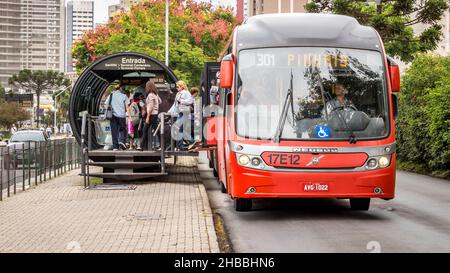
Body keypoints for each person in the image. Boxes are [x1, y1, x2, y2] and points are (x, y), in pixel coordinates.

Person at [168, 80, 194, 151]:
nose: (177, 88)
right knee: (180, 130)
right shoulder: (178, 94)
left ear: (182, 86)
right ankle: (191, 142)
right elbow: (175, 105)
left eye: (178, 86)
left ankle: (182, 145)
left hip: (185, 112)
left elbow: (191, 101)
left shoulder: (186, 92)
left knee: (179, 129)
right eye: (176, 87)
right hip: (180, 113)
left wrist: (182, 101)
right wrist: (169, 112)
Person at [138, 80, 161, 151]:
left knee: (148, 130)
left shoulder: (150, 95)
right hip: (154, 114)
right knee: (155, 131)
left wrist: (147, 117)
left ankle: (141, 146)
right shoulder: (155, 95)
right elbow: (160, 101)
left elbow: (150, 107)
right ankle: (141, 146)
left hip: (151, 115)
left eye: (146, 86)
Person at [105, 83, 129, 151]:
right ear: (120, 88)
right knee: (122, 129)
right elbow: (127, 106)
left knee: (114, 131)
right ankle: (121, 142)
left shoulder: (111, 95)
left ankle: (115, 147)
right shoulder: (124, 96)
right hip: (122, 115)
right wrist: (129, 116)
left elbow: (106, 104)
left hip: (113, 115)